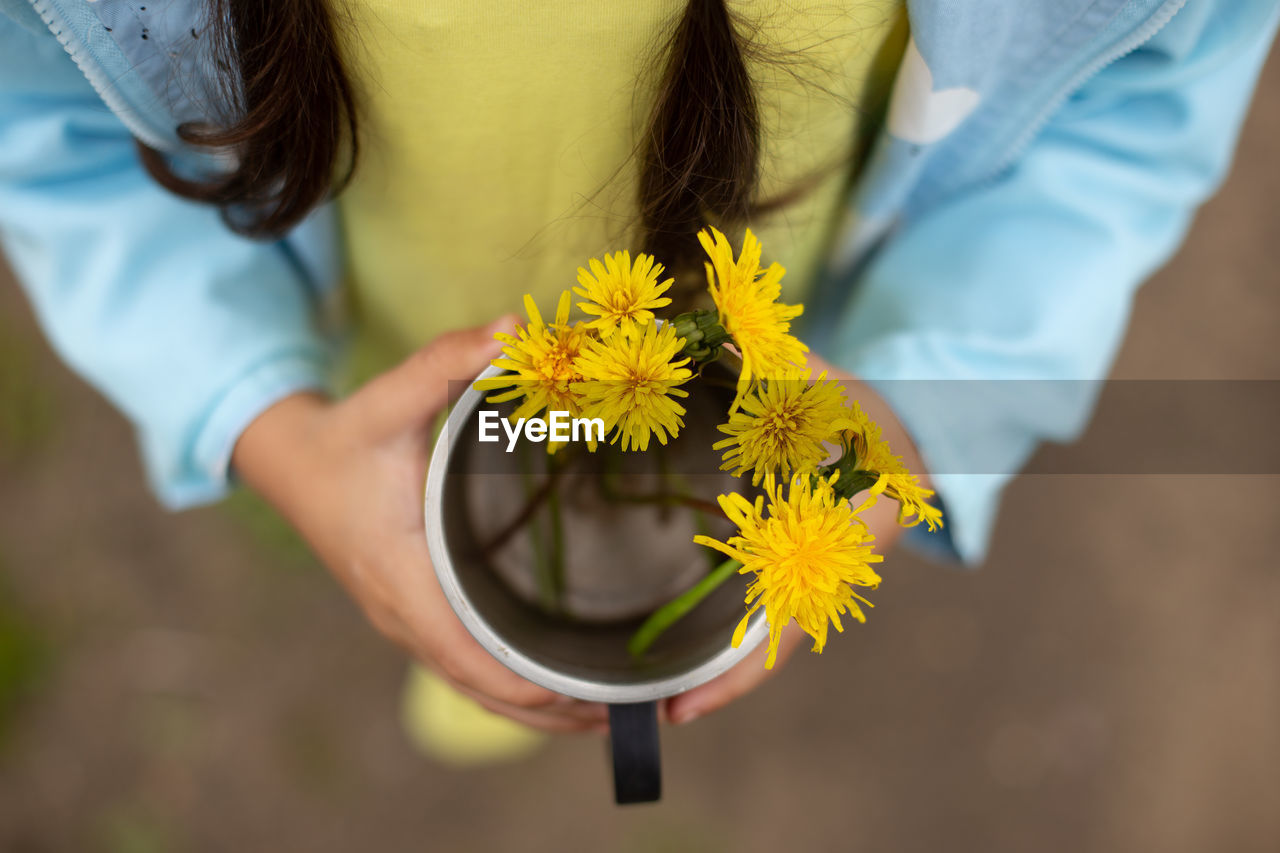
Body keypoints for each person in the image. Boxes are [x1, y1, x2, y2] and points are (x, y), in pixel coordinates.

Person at [1, 0, 1276, 753]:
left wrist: (904, 405)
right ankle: (468, 641)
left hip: (781, 361)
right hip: (395, 346)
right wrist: (280, 437)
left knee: (525, 653)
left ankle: (515, 680)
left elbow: (1137, 97)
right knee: (450, 582)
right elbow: (49, 113)